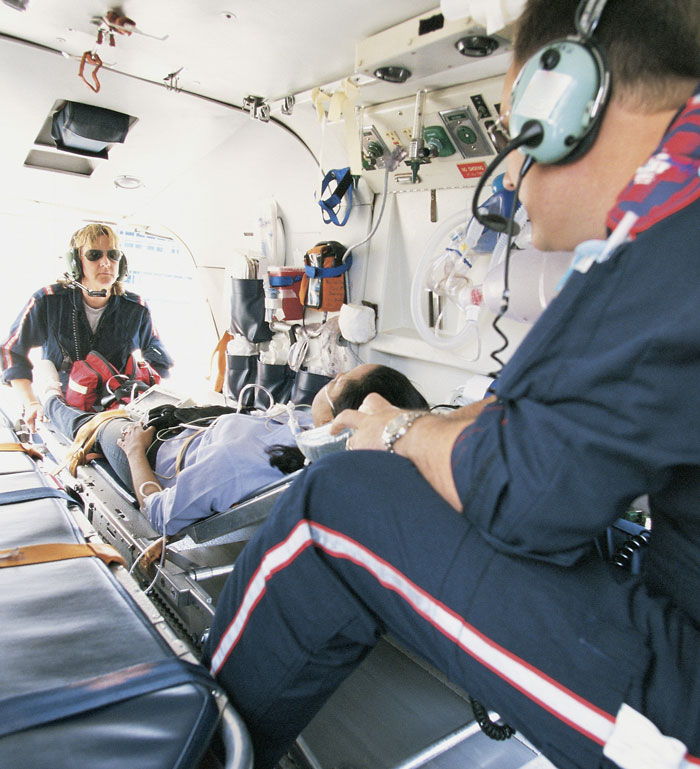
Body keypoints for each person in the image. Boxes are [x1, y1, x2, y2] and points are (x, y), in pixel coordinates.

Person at [201, 2, 700, 768]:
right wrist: (448, 428)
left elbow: (522, 493)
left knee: (333, 507)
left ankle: (185, 750)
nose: (512, 164)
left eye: (514, 127)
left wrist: (398, 430)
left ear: (562, 103)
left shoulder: (671, 222)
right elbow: (549, 436)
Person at [42, 363, 428, 535]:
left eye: (341, 379)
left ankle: (46, 402)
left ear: (344, 418)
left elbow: (160, 515)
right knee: (132, 400)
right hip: (190, 430)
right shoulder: (316, 429)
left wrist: (134, 450)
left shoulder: (238, 465)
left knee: (96, 423)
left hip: (154, 455)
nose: (332, 377)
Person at [0, 223, 173, 432]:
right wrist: (31, 403)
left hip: (112, 414)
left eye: (113, 255)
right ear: (75, 263)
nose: (106, 263)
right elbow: (10, 351)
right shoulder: (48, 301)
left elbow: (158, 359)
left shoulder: (136, 309)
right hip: (61, 410)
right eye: (94, 255)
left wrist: (139, 394)